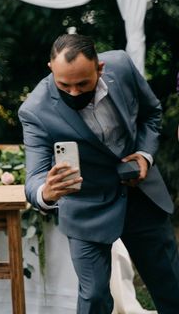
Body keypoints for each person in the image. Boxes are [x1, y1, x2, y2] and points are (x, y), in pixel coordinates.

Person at [19, 33, 179, 314]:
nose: (74, 93)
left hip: (140, 195)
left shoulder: (121, 65)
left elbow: (151, 113)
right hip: (85, 207)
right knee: (94, 297)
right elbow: (33, 178)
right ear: (51, 69)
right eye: (64, 85)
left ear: (100, 68)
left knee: (171, 284)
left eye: (83, 83)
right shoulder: (35, 110)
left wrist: (144, 154)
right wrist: (46, 192)